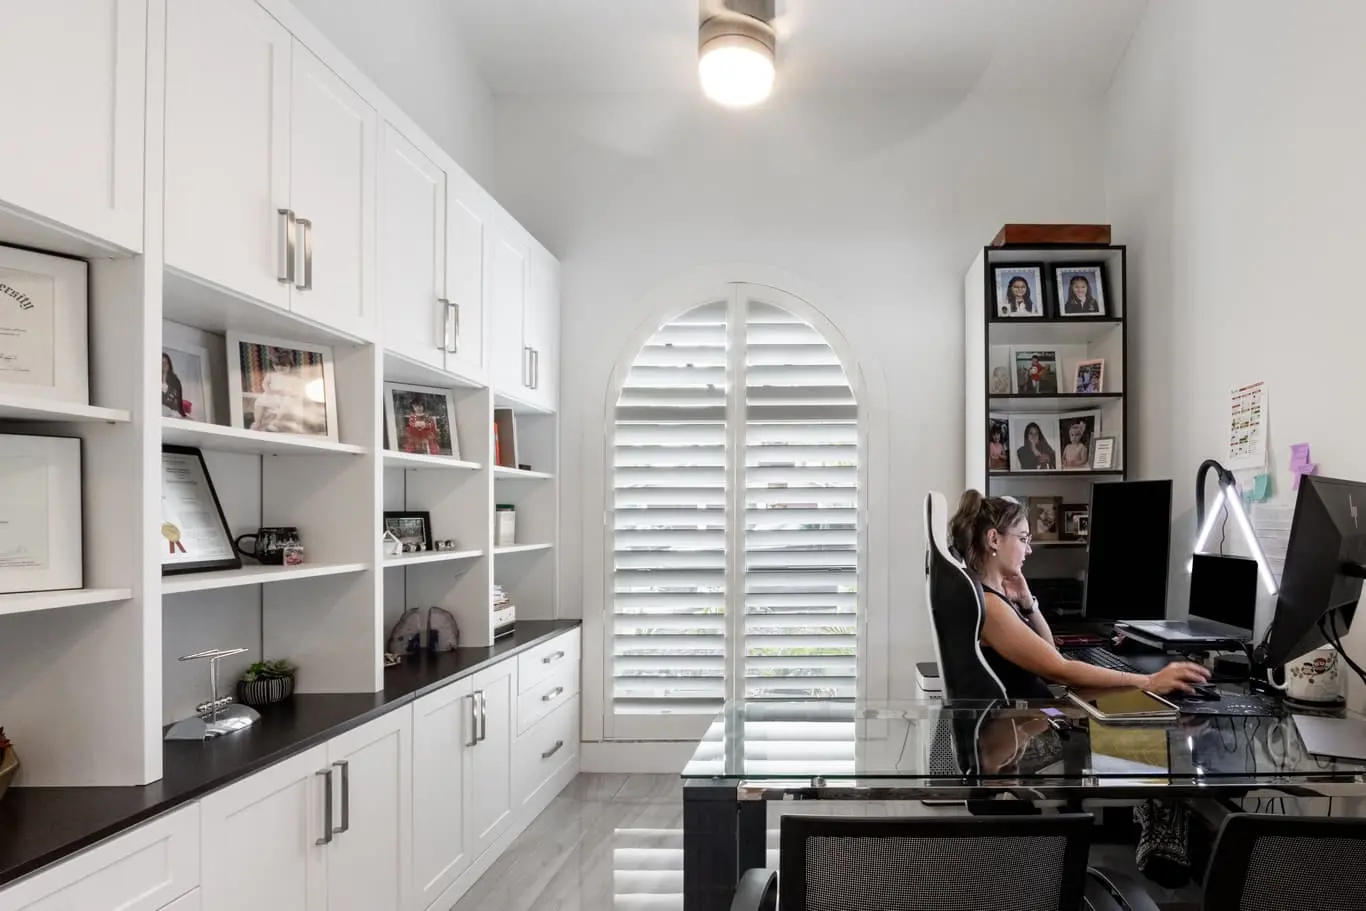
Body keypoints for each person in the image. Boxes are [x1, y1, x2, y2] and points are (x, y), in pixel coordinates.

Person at [947, 490, 1209, 699]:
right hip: (1025, 729)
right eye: (1024, 538)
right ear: (994, 539)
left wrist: (1028, 604)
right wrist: (1150, 681)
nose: (1029, 550)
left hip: (1033, 723)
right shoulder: (991, 607)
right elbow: (1061, 670)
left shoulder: (994, 597)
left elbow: (1050, 655)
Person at [161, 353, 186, 418]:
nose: (164, 365)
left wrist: (183, 415)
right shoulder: (153, 379)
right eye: (162, 363)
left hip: (173, 412)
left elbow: (179, 400)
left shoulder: (175, 380)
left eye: (166, 363)